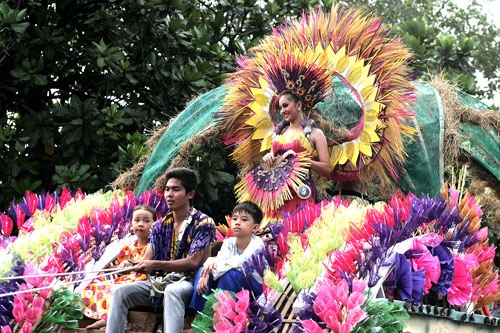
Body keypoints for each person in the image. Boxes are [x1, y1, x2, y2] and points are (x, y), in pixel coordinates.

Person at [106, 168, 215, 333]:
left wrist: (155, 264)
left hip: (189, 283)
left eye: (176, 189)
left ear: (190, 194)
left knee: (172, 290)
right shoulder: (159, 225)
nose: (169, 194)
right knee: (121, 292)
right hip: (159, 282)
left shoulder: (204, 222)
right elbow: (146, 259)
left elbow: (193, 262)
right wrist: (130, 265)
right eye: (167, 189)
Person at [83, 205, 156, 330]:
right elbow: (119, 268)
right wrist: (122, 266)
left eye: (146, 221)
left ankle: (122, 322)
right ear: (131, 224)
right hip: (127, 278)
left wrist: (132, 267)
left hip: (142, 280)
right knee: (92, 286)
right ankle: (107, 318)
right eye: (137, 220)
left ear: (154, 224)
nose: (140, 224)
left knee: (115, 289)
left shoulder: (154, 245)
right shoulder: (128, 246)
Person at [261, 91, 331, 219]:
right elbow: (274, 161)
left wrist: (301, 160)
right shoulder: (278, 134)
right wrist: (268, 159)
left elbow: (327, 169)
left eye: (286, 105)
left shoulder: (315, 134)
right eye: (280, 108)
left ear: (298, 105)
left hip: (301, 193)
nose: (282, 111)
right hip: (277, 195)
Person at [189, 201, 265, 312]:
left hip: (253, 290)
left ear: (255, 228)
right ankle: (200, 315)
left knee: (229, 274)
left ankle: (223, 316)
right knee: (203, 270)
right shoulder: (229, 242)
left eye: (244, 220)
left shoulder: (257, 245)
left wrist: (211, 263)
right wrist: (207, 269)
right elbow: (221, 260)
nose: (237, 223)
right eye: (234, 219)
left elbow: (236, 264)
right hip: (231, 284)